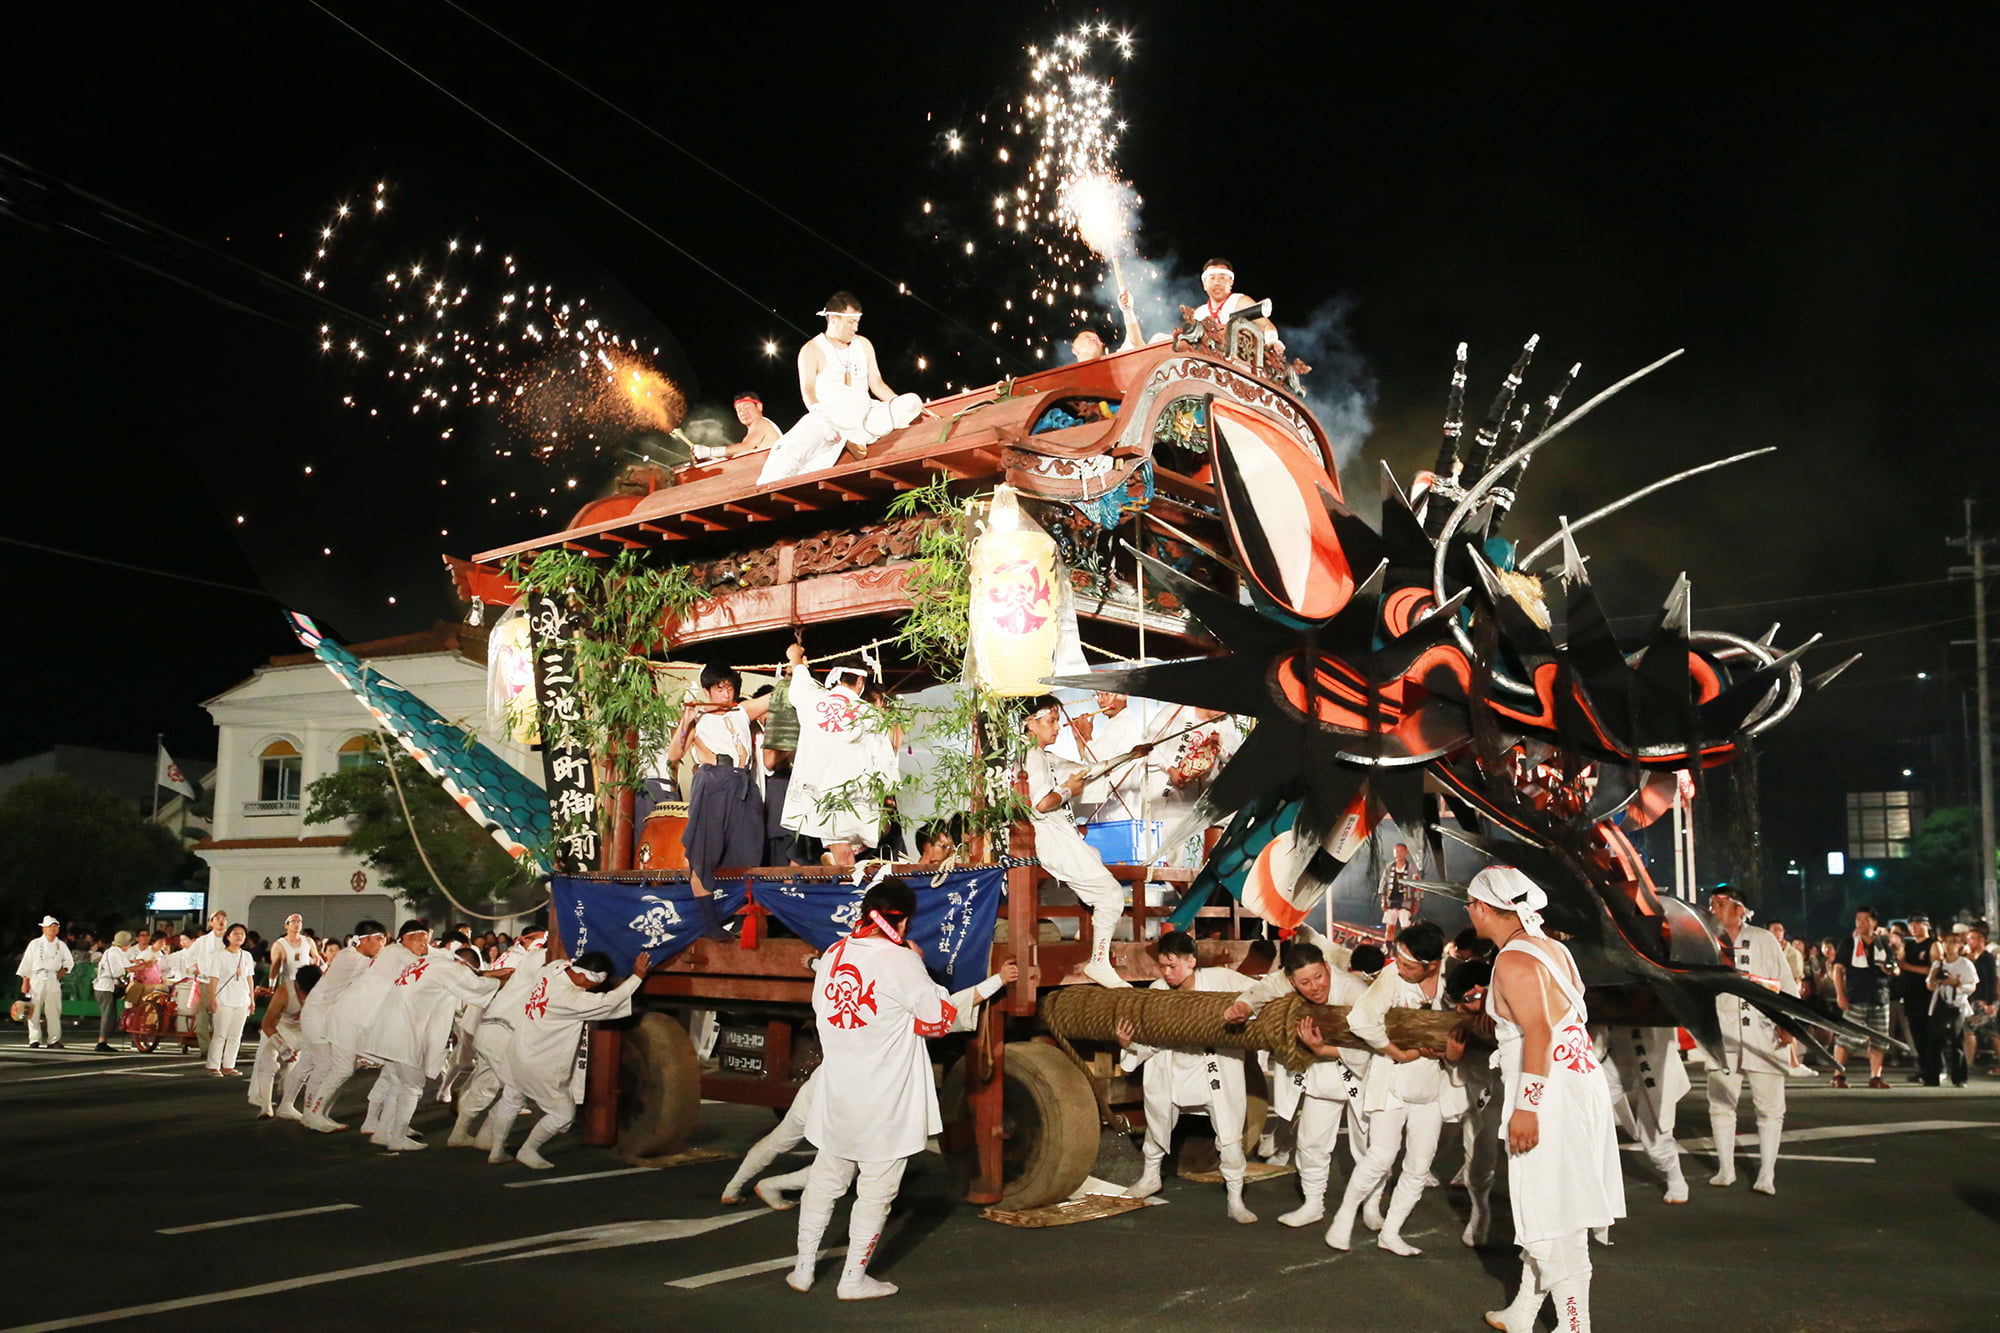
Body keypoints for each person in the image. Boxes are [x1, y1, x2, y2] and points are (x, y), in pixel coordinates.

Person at [788, 877, 973, 1299]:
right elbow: (940, 1018)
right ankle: (852, 1280)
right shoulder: (899, 960)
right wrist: (920, 966)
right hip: (885, 1096)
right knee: (875, 1191)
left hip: (839, 1089)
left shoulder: (834, 953)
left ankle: (802, 1269)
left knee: (825, 1181)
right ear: (902, 921)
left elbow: (822, 1008)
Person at [722, 954, 1018, 1208]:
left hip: (827, 1085)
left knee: (788, 1142)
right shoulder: (906, 1014)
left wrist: (813, 962)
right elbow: (955, 1007)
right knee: (840, 1171)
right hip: (855, 1099)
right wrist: (1000, 980)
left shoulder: (867, 993)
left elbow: (838, 968)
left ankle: (735, 1187)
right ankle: (774, 1187)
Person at [1468, 866, 1623, 1333]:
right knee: (1557, 1205)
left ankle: (1576, 1326)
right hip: (1580, 1080)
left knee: (1553, 1212)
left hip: (1549, 1091)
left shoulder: (1512, 960)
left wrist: (1527, 1106)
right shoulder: (1553, 948)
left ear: (1483, 908)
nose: (1468, 911)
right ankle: (1524, 1311)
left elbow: (1537, 1030)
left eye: (1471, 903)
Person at [1324, 921, 1456, 1256]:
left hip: (1430, 1084)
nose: (1401, 967)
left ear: (1433, 964)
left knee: (1419, 1164)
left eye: (1410, 965)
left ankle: (1392, 1231)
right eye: (1399, 959)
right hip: (1391, 1078)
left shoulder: (1451, 980)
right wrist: (1394, 1050)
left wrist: (1450, 1051)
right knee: (1381, 1155)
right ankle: (1344, 1217)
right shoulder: (1392, 976)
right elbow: (1361, 1018)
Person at [1222, 936, 1371, 1228]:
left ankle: (1372, 1205)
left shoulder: (1355, 989)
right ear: (1292, 982)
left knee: (1369, 1145)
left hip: (1362, 1073)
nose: (1315, 986)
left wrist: (1324, 1048)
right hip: (1321, 1075)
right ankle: (1313, 1203)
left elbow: (1372, 1040)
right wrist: (1243, 1006)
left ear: (1327, 967)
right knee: (1311, 1142)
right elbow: (1261, 991)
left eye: (1319, 976)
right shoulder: (1284, 982)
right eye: (1305, 983)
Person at [1117, 930, 1258, 1223]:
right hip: (1172, 1068)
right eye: (1163, 966)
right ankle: (1150, 1178)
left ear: (1191, 961)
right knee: (1157, 1123)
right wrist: (1128, 1044)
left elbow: (1261, 993)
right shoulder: (1156, 991)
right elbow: (1149, 1038)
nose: (1167, 973)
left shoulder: (1221, 980)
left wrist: (1243, 1010)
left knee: (1229, 1135)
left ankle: (1235, 1198)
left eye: (1173, 966)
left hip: (1212, 1066)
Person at [758, 292, 925, 484]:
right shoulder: (811, 350)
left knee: (911, 401)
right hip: (829, 420)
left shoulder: (864, 345)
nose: (855, 327)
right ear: (834, 318)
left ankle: (856, 439)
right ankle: (766, 487)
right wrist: (821, 417)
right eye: (851, 322)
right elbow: (808, 389)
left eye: (857, 322)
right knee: (786, 451)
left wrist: (905, 406)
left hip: (865, 418)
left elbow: (877, 384)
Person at [1023, 696, 1132, 988]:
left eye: (1058, 721)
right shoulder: (1031, 756)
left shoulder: (1042, 756)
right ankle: (1099, 961)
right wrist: (1069, 790)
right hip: (1053, 839)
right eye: (1051, 721)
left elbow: (1087, 772)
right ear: (1029, 724)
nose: (1057, 727)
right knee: (1110, 895)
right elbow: (1042, 804)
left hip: (1060, 836)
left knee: (1101, 876)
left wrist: (1130, 756)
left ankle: (1100, 959)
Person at [667, 663, 775, 930]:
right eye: (719, 688)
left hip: (742, 784)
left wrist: (795, 667)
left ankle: (739, 917)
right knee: (704, 854)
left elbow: (774, 697)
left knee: (748, 851)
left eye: (729, 687)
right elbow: (674, 754)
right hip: (713, 781)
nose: (726, 693)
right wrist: (687, 718)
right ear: (707, 690)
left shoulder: (741, 710)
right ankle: (709, 923)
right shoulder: (698, 718)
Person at [1705, 886, 1798, 1194]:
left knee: (1770, 1108)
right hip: (1722, 1033)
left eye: (1720, 904)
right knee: (1720, 1104)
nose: (1714, 909)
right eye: (1712, 904)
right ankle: (1726, 1168)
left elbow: (1785, 984)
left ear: (1739, 909)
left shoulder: (1763, 939)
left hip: (1763, 1032)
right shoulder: (1705, 942)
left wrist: (1788, 1023)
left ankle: (1766, 1173)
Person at [782, 644, 897, 866]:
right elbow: (883, 760)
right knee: (844, 849)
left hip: (817, 792)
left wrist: (795, 657)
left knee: (840, 849)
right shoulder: (869, 715)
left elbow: (800, 681)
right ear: (861, 682)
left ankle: (846, 888)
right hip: (848, 791)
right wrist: (888, 793)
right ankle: (848, 893)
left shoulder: (814, 700)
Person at [447, 928, 550, 1149]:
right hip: (502, 1031)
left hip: (491, 1026)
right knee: (512, 1086)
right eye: (540, 941)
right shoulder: (531, 960)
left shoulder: (522, 958)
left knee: (486, 1082)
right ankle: (486, 1137)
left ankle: (464, 1132)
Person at [299, 921, 392, 1132]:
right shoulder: (352, 958)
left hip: (330, 1015)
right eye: (379, 939)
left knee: (335, 1068)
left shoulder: (355, 956)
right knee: (328, 1067)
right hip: (318, 1014)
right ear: (365, 939)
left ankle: (315, 1113)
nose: (382, 944)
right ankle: (313, 1114)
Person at [1595, 1023, 1690, 1203]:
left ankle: (1675, 1177)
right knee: (1590, 1107)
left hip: (1654, 1049)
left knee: (1654, 1124)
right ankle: (1588, 1178)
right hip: (1615, 1047)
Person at [1831, 906, 1896, 1089]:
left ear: (1874, 923)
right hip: (1855, 995)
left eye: (1865, 919)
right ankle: (1838, 1074)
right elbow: (1838, 969)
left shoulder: (1883, 942)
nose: (1860, 923)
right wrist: (1840, 994)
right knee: (1847, 1037)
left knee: (1879, 1039)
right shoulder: (1849, 942)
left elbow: (1894, 967)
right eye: (1858, 919)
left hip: (1880, 996)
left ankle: (1876, 1076)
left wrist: (1889, 969)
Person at [249, 963, 321, 1117]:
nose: (304, 997)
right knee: (268, 1057)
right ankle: (266, 1106)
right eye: (303, 993)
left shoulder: (322, 991)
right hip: (282, 1027)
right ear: (297, 985)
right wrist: (282, 1047)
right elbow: (267, 1024)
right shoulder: (284, 992)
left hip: (306, 1031)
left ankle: (287, 1105)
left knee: (295, 1068)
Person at [1187, 258, 1283, 358]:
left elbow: (1267, 326)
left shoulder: (1240, 301)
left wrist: (1272, 341)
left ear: (1231, 282)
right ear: (1204, 284)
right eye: (1212, 278)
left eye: (1222, 278)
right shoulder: (1199, 313)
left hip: (1239, 362)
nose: (1217, 283)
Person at [204, 924, 257, 1076]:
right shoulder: (219, 955)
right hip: (224, 999)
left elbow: (249, 978)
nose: (239, 936)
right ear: (228, 936)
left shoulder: (246, 955)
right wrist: (212, 998)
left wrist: (251, 999)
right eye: (235, 933)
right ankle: (214, 1065)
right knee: (220, 1034)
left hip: (242, 1000)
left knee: (236, 1035)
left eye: (242, 934)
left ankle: (229, 1065)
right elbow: (214, 978)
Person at [1926, 932, 1977, 1088]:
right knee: (1934, 1042)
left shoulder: (1965, 964)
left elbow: (1972, 985)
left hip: (1958, 1005)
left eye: (1953, 942)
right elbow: (1929, 984)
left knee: (1957, 1042)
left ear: (1960, 945)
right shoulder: (1938, 964)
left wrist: (1957, 984)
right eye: (1946, 942)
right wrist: (1935, 979)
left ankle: (1960, 1077)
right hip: (1939, 1004)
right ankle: (1932, 1076)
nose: (1949, 946)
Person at [17, 915, 73, 1049]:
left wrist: (63, 971)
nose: (53, 929)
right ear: (44, 929)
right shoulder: (35, 944)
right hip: (36, 977)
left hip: (52, 978)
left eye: (55, 927)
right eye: (50, 927)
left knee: (54, 1010)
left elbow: (69, 961)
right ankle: (34, 1039)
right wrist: (25, 980)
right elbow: (27, 962)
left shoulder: (61, 945)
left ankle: (53, 1040)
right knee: (33, 1009)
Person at [1962, 925, 1998, 1074]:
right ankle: (1967, 1064)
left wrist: (1990, 1002)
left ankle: (1967, 1064)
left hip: (1983, 1001)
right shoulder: (1970, 957)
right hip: (1973, 999)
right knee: (1983, 1032)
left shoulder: (1987, 958)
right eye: (1968, 939)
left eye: (1972, 938)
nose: (1969, 941)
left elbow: (1991, 981)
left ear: (1981, 940)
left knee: (1987, 1032)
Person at [92, 930, 134, 1053]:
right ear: (124, 944)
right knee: (107, 1015)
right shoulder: (116, 952)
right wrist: (144, 965)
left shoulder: (113, 951)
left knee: (110, 1015)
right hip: (106, 986)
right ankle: (101, 1042)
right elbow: (123, 969)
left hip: (104, 986)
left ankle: (104, 1041)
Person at [1379, 843, 1416, 942]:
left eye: (1401, 851)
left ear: (1406, 853)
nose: (1399, 854)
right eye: (1397, 851)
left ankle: (1407, 948)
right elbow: (1383, 885)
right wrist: (1383, 901)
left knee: (1406, 927)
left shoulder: (1412, 868)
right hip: (1391, 900)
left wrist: (1416, 903)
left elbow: (1417, 886)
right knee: (1390, 926)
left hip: (1406, 901)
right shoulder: (1389, 867)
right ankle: (1388, 947)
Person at [269, 914, 315, 988]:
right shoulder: (279, 944)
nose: (297, 924)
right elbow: (275, 966)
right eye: (293, 921)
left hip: (304, 983)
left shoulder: (308, 941)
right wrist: (271, 985)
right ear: (286, 925)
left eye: (299, 921)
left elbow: (316, 957)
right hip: (286, 982)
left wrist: (312, 975)